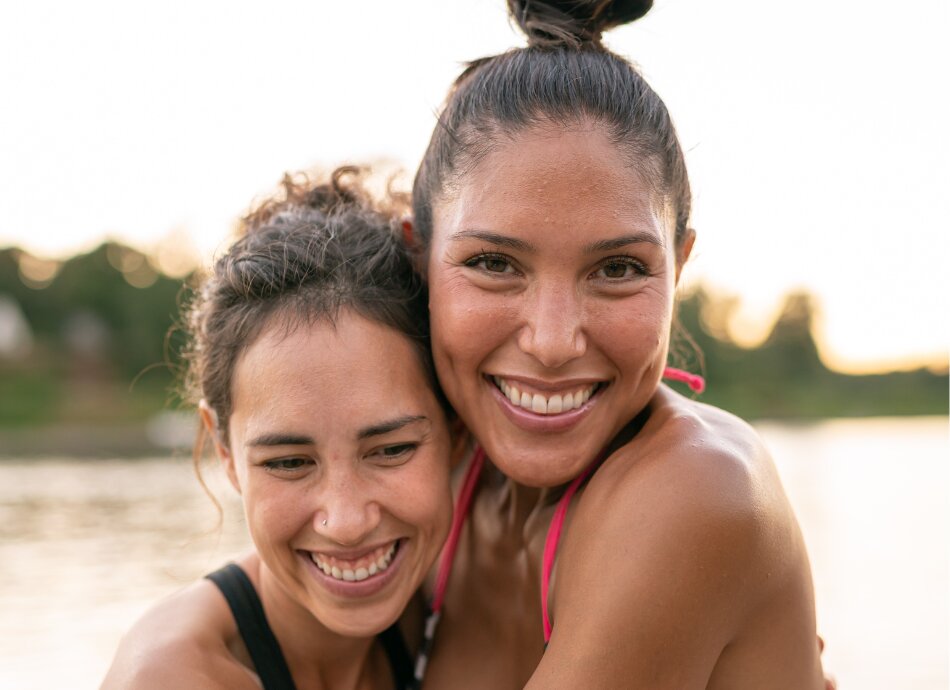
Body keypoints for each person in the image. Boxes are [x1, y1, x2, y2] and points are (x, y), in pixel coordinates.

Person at [408, 1, 830, 687]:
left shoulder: (697, 492)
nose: (550, 342)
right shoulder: (437, 475)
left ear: (679, 268)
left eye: (617, 269)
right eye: (494, 264)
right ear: (419, 257)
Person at [101, 169, 453, 690]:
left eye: (391, 450)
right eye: (289, 462)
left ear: (457, 428)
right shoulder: (172, 677)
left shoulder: (465, 598)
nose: (347, 523)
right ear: (223, 452)